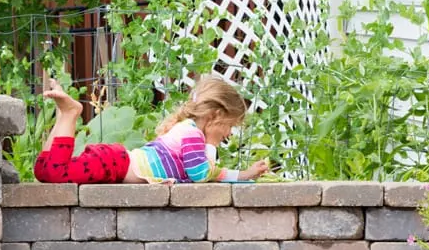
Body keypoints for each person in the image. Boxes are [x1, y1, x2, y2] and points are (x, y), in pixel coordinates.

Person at [34, 75, 269, 184]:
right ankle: (70, 113)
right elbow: (200, 175)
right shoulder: (192, 135)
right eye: (229, 126)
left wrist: (245, 175)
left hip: (113, 162)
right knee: (55, 174)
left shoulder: (187, 130)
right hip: (113, 163)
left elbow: (205, 173)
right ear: (215, 116)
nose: (228, 134)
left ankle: (64, 117)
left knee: (44, 171)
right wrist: (213, 143)